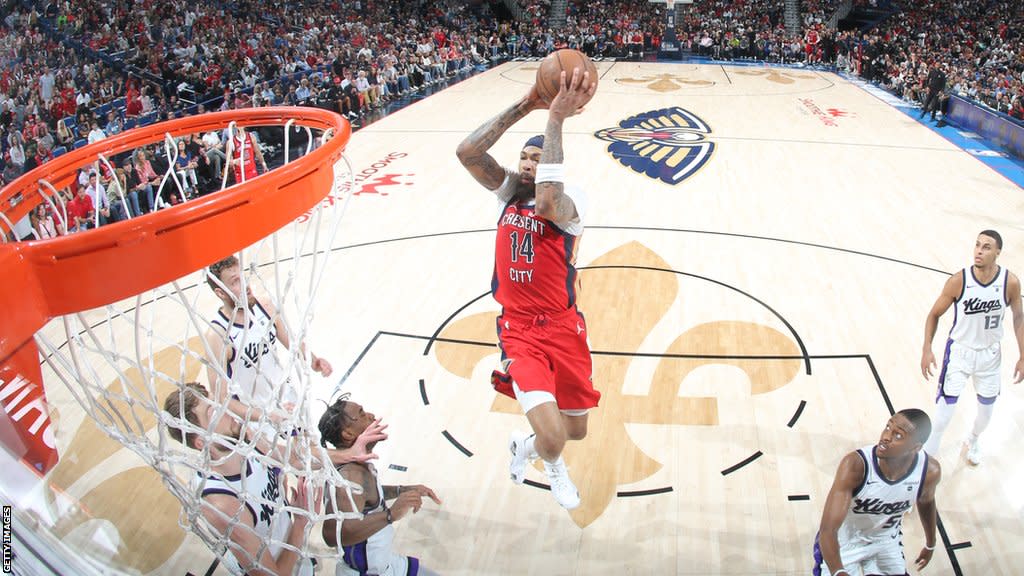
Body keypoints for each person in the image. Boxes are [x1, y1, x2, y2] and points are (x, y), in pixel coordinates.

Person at [455, 67, 598, 509]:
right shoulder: (509, 194)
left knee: (575, 430)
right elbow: (467, 152)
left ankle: (526, 448)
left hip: (563, 328)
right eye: (525, 158)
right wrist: (528, 105)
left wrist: (555, 119)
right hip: (519, 332)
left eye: (538, 157)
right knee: (555, 437)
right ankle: (552, 466)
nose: (528, 163)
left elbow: (549, 200)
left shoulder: (569, 205)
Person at [163, 383, 383, 576]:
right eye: (213, 412)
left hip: (292, 543)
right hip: (280, 560)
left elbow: (293, 458)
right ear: (201, 442)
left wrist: (349, 453)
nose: (225, 409)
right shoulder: (222, 504)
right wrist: (300, 524)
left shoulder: (243, 440)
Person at [921, 230, 1024, 464]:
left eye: (986, 247)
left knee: (987, 413)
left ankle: (973, 439)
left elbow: (1019, 318)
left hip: (990, 355)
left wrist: (1022, 356)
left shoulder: (1010, 282)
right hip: (960, 351)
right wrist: (927, 349)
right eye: (977, 245)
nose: (979, 250)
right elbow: (934, 314)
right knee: (943, 415)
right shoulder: (959, 281)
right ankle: (926, 459)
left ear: (998, 252)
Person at [205, 255, 333, 432]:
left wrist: (314, 361)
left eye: (242, 277)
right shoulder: (218, 334)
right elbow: (221, 398)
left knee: (309, 447)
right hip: (255, 417)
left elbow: (291, 341)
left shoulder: (264, 306)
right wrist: (266, 414)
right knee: (290, 458)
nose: (245, 285)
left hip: (285, 398)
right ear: (220, 292)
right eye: (235, 282)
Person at [318, 396, 442, 576]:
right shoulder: (350, 476)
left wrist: (402, 490)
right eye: (361, 414)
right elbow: (333, 535)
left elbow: (369, 496)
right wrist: (391, 514)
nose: (371, 415)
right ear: (348, 434)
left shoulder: (357, 466)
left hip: (386, 564)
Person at [814, 409, 941, 576]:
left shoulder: (929, 471)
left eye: (898, 436)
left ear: (916, 448)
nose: (886, 437)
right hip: (845, 541)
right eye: (887, 427)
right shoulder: (855, 465)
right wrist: (838, 572)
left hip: (885, 541)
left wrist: (931, 543)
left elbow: (927, 502)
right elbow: (827, 530)